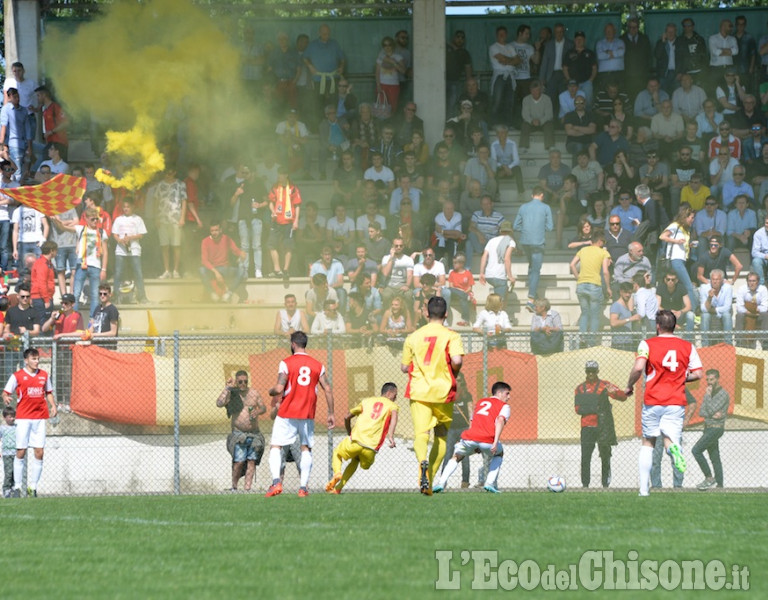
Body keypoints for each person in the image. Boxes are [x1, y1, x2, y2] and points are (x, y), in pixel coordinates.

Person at [625, 310, 703, 497]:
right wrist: (681, 377)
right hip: (676, 402)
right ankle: (673, 450)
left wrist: (629, 385)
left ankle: (644, 490)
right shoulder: (687, 346)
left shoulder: (647, 344)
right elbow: (698, 374)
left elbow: (638, 368)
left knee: (648, 442)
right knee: (670, 439)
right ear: (675, 326)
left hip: (653, 401)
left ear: (657, 326)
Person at [401, 297, 464, 496]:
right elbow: (457, 360)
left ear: (426, 314)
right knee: (441, 436)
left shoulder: (413, 337)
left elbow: (404, 367)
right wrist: (453, 371)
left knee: (421, 434)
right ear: (446, 314)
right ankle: (429, 479)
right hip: (443, 392)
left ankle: (422, 463)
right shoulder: (451, 335)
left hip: (419, 392)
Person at [266, 331, 334, 498]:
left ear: (292, 344)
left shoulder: (286, 363)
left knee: (276, 446)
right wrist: (331, 413)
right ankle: (303, 488)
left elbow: (279, 388)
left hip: (287, 412)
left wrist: (270, 391)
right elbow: (328, 389)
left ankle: (276, 483)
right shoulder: (318, 365)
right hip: (307, 414)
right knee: (306, 448)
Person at [433, 380, 510, 494]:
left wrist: (476, 441)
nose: (509, 397)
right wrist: (495, 442)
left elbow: (472, 420)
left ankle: (441, 483)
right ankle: (489, 483)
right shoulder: (504, 406)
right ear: (499, 393)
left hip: (470, 437)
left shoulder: (481, 402)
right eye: (507, 393)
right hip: (488, 440)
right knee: (499, 453)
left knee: (456, 456)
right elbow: (500, 420)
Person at [325, 382, 398, 494]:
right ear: (389, 393)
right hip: (371, 449)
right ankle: (338, 489)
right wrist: (391, 436)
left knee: (337, 453)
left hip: (356, 442)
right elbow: (394, 419)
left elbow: (346, 417)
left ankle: (337, 473)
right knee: (357, 460)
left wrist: (349, 432)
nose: (396, 398)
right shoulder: (393, 406)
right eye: (395, 395)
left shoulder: (366, 401)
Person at [2, 347, 56, 498]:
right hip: (24, 418)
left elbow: (49, 392)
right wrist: (5, 397)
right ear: (26, 360)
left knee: (39, 452)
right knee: (21, 451)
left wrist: (53, 405)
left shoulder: (44, 375)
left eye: (38, 358)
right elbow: (5, 392)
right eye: (33, 359)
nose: (37, 361)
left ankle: (33, 488)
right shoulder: (17, 376)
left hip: (39, 418)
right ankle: (18, 487)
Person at [574, 360, 627, 488]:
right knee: (585, 457)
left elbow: (623, 397)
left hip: (603, 426)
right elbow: (578, 409)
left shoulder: (605, 385)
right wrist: (595, 408)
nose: (591, 373)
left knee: (605, 456)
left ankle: (605, 484)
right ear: (585, 372)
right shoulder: (580, 388)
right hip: (587, 426)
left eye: (593, 371)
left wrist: (613, 392)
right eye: (588, 371)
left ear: (597, 371)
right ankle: (585, 485)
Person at [216, 370, 267, 492]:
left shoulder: (254, 393)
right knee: (238, 461)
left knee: (251, 461)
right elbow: (219, 403)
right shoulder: (232, 394)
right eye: (240, 382)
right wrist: (227, 387)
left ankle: (247, 488)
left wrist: (258, 411)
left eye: (245, 381)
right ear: (236, 382)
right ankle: (234, 486)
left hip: (254, 433)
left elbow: (263, 407)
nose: (243, 384)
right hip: (239, 434)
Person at [570, 229, 611, 347]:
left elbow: (572, 264)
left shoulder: (583, 250)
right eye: (603, 242)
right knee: (594, 315)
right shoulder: (603, 253)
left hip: (581, 284)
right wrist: (608, 287)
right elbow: (605, 271)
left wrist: (578, 278)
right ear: (599, 241)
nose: (603, 244)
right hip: (595, 285)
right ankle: (592, 342)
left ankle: (582, 337)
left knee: (584, 313)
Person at [692, 369, 729, 490]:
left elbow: (712, 408)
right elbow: (702, 411)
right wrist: (712, 413)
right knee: (714, 456)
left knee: (696, 450)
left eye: (712, 379)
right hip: (708, 428)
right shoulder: (708, 393)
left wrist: (708, 398)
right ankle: (720, 485)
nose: (709, 382)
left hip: (716, 428)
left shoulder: (723, 394)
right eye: (707, 380)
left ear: (717, 379)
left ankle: (709, 478)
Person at [111, 197, 149, 305]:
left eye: (128, 207)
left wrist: (130, 238)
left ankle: (142, 297)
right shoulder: (119, 219)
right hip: (120, 250)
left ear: (133, 207)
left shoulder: (138, 219)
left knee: (138, 273)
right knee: (118, 273)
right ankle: (116, 296)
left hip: (134, 250)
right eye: (124, 207)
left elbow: (141, 234)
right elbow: (114, 233)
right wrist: (120, 240)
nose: (126, 209)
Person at [200, 221, 247, 303]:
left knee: (241, 271)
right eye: (212, 231)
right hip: (212, 269)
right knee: (201, 270)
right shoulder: (205, 241)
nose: (214, 232)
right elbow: (204, 260)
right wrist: (216, 273)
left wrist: (241, 253)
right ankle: (212, 293)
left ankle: (229, 293)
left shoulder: (226, 239)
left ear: (220, 230)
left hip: (225, 269)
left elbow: (235, 250)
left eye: (216, 230)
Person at [478, 220, 516, 302]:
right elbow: (506, 259)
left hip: (489, 275)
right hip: (500, 276)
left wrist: (481, 273)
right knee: (500, 303)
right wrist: (510, 276)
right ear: (511, 231)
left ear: (500, 230)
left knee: (498, 299)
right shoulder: (511, 242)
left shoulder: (491, 241)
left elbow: (484, 256)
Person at [699, 269, 733, 346]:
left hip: (722, 314)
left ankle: (728, 344)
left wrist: (713, 310)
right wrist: (709, 298)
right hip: (710, 314)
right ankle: (705, 345)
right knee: (705, 315)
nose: (715, 281)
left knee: (727, 315)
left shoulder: (727, 288)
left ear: (722, 280)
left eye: (717, 279)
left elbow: (727, 307)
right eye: (713, 279)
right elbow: (704, 309)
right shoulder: (704, 288)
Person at [734, 272, 768, 349]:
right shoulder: (742, 289)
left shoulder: (763, 289)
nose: (751, 283)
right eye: (749, 281)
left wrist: (753, 308)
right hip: (747, 314)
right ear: (747, 282)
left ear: (758, 282)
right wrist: (749, 312)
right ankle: (739, 341)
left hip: (758, 314)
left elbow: (765, 307)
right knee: (739, 315)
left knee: (765, 315)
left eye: (754, 281)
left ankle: (766, 342)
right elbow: (739, 307)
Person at [0, 407, 15, 497]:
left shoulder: (17, 427)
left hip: (16, 453)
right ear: (5, 417)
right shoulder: (2, 428)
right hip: (6, 454)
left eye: (13, 416)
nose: (12, 419)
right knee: (8, 473)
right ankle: (6, 489)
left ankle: (14, 488)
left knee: (15, 473)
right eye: (9, 417)